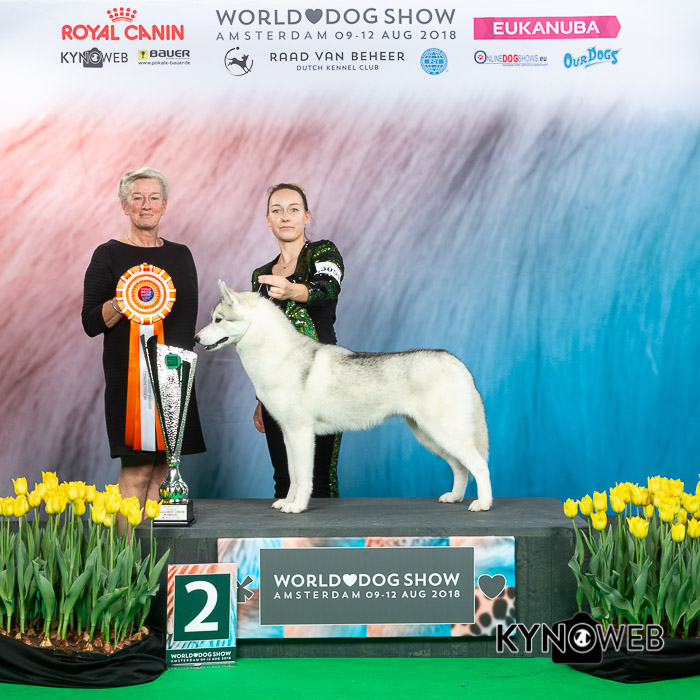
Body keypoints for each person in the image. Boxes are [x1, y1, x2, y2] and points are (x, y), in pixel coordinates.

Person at [81, 167, 205, 511]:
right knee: (136, 473)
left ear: (164, 206)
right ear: (125, 206)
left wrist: (180, 375)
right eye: (137, 198)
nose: (146, 205)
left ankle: (151, 549)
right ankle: (126, 549)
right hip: (130, 383)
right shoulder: (107, 254)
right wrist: (125, 299)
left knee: (164, 472)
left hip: (173, 376)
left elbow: (187, 320)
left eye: (154, 198)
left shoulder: (181, 255)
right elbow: (90, 322)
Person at [251, 183, 343, 498]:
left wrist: (292, 290)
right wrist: (260, 398)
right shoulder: (261, 275)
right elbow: (260, 341)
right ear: (268, 220)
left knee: (318, 481)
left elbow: (328, 288)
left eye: (293, 209)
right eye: (277, 210)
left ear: (306, 216)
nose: (285, 216)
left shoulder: (323, 252)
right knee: (284, 480)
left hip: (323, 382)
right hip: (276, 389)